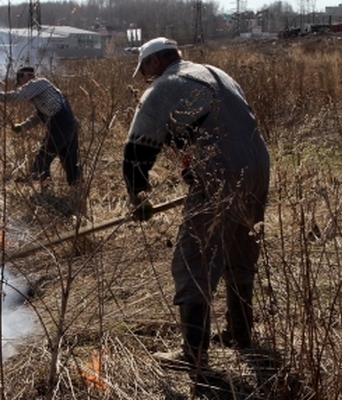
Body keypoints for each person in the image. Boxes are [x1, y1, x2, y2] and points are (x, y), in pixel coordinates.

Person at [122, 37, 270, 370]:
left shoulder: (163, 87)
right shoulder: (216, 73)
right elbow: (216, 128)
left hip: (222, 171)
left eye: (145, 68)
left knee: (192, 260)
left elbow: (135, 154)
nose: (146, 77)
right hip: (259, 164)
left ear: (155, 62)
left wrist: (137, 197)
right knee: (240, 248)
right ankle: (240, 333)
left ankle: (194, 356)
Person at [0, 67, 82, 192]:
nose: (21, 87)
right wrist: (22, 126)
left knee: (42, 159)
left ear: (25, 76)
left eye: (20, 83)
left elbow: (19, 96)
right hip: (70, 125)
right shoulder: (44, 95)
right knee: (69, 160)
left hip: (61, 124)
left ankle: (46, 191)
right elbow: (37, 116)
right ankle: (77, 190)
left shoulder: (38, 83)